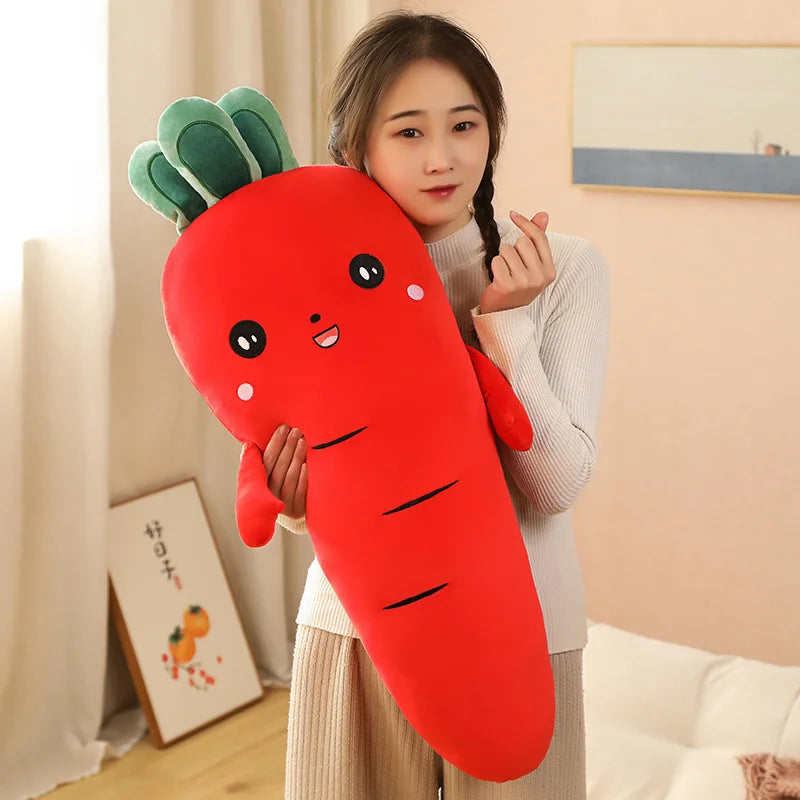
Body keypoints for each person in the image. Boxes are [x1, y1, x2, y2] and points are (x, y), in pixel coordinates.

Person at [263, 10, 610, 799]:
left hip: (521, 642)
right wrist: (291, 500)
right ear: (357, 149)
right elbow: (315, 479)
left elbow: (555, 486)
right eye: (409, 133)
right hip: (360, 634)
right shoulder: (314, 286)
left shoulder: (568, 272)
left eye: (464, 125)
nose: (445, 157)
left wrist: (505, 322)